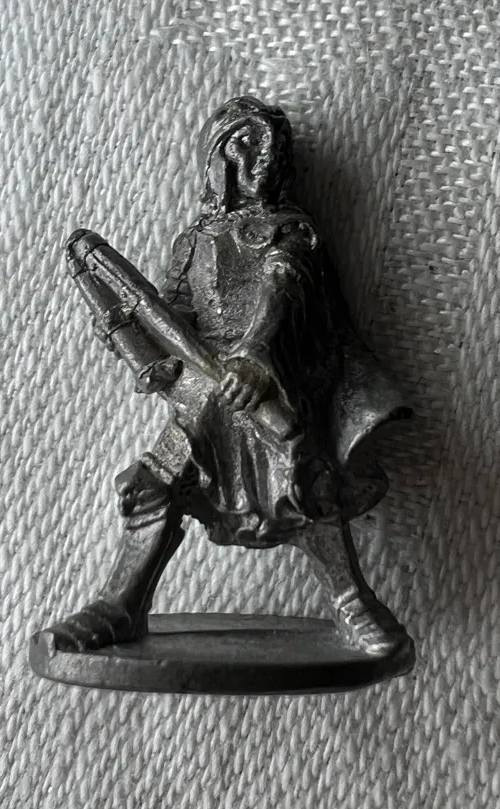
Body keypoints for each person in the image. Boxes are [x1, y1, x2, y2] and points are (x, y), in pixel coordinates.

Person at [42, 97, 412, 656]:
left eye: (265, 147)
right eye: (242, 143)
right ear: (217, 154)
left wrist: (257, 354)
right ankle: (120, 605)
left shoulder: (290, 231)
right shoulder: (194, 240)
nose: (255, 159)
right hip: (200, 392)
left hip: (273, 383)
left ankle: (353, 604)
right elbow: (171, 311)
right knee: (156, 487)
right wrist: (131, 336)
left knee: (307, 489)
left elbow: (284, 286)